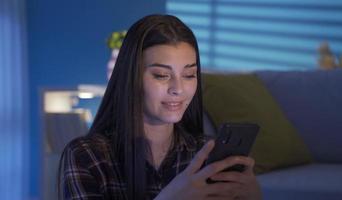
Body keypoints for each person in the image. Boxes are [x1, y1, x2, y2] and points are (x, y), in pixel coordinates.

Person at [58, 14, 261, 200]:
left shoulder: (203, 154)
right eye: (162, 75)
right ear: (132, 78)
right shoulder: (88, 156)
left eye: (189, 75)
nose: (178, 89)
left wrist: (253, 196)